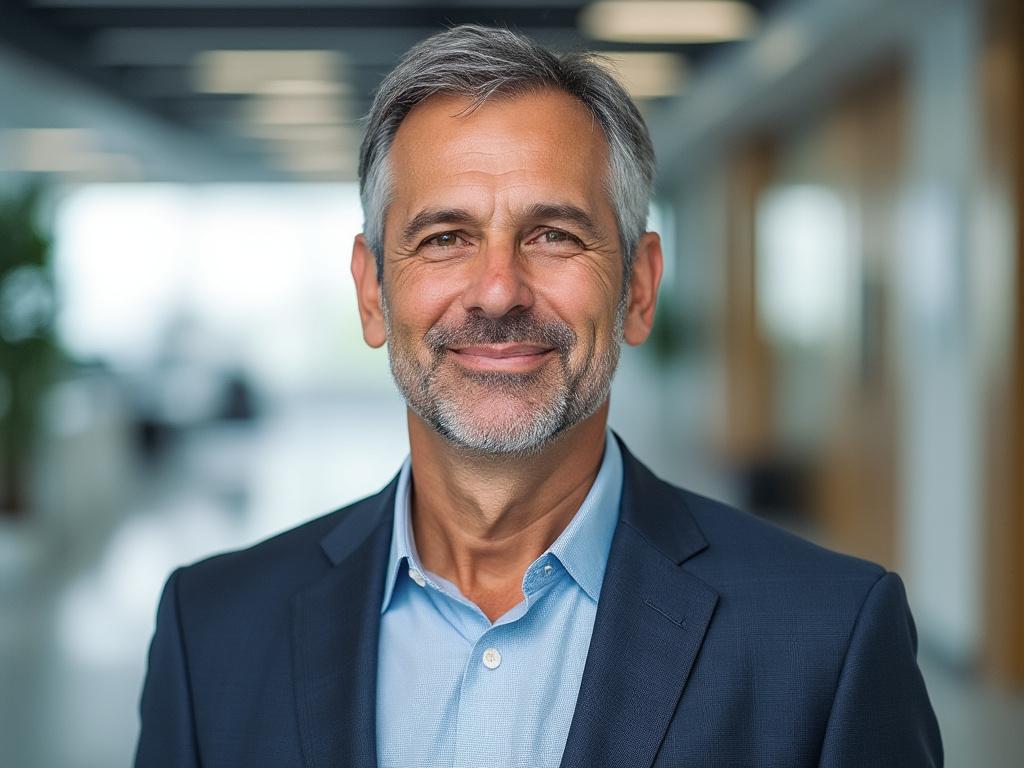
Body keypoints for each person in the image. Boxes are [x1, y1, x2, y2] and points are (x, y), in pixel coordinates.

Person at [134, 24, 942, 768]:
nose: (496, 292)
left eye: (553, 234)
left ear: (638, 286)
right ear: (373, 292)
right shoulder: (210, 633)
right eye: (444, 237)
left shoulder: (828, 639)